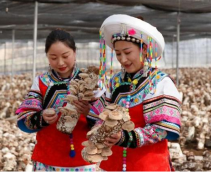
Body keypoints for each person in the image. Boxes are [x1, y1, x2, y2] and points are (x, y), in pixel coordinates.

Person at [91, 14, 181, 171]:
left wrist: (125, 137)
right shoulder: (115, 82)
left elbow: (161, 129)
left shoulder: (160, 83)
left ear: (144, 49)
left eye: (127, 52)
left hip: (148, 165)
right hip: (112, 165)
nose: (123, 59)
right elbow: (100, 116)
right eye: (118, 54)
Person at [16, 29, 98, 171]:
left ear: (75, 52)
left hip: (84, 161)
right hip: (47, 161)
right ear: (47, 57)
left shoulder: (91, 82)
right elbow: (24, 122)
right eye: (53, 57)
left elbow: (105, 123)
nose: (60, 62)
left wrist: (88, 112)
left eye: (65, 56)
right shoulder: (41, 82)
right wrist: (41, 117)